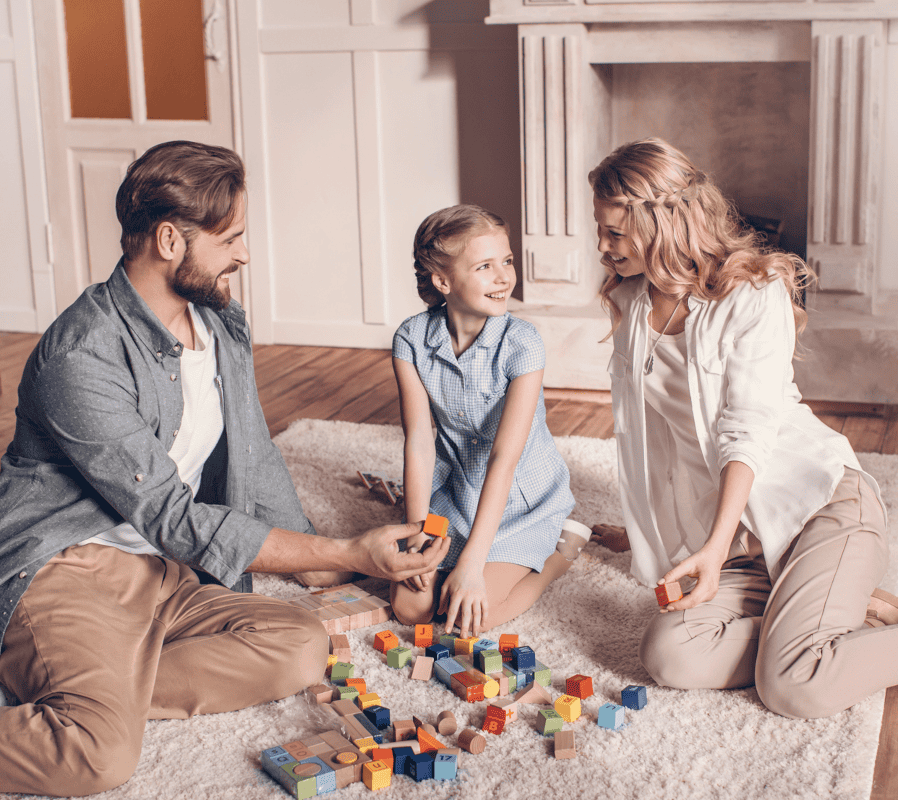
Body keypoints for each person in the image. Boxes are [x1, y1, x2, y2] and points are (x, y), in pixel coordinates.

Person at [0, 140, 448, 796]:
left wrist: (323, 562)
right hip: (66, 572)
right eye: (230, 238)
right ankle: (85, 703)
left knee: (299, 643)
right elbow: (173, 516)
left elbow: (252, 448)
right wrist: (347, 545)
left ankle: (99, 690)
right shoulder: (81, 355)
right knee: (97, 758)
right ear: (170, 240)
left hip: (160, 572)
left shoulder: (218, 318)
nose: (244, 253)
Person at [591, 137, 896, 719]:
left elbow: (743, 430)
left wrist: (710, 548)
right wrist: (645, 526)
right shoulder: (634, 303)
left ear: (666, 224)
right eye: (600, 231)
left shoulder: (753, 293)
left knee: (794, 688)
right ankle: (822, 614)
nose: (603, 248)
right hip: (749, 544)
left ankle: (809, 624)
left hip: (820, 507)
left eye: (615, 233)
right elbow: (657, 441)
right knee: (671, 657)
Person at [389, 204, 587, 640]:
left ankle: (558, 556)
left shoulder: (523, 344)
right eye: (484, 266)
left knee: (468, 618)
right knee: (409, 609)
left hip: (521, 502)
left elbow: (504, 458)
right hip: (455, 493)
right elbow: (420, 442)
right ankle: (457, 556)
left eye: (508, 261)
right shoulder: (410, 339)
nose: (504, 277)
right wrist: (418, 535)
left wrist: (473, 566)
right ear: (443, 281)